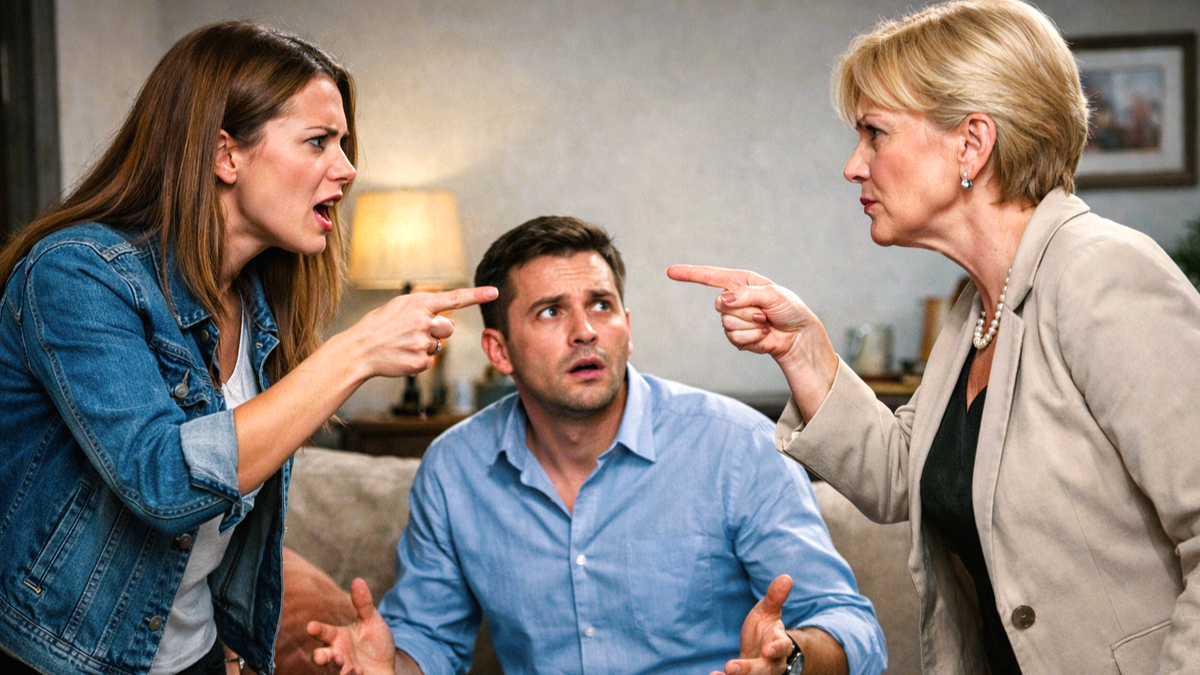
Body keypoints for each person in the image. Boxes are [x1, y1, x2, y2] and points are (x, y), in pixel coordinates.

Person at [669, 0, 1200, 673]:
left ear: (972, 143)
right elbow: (906, 475)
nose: (853, 165)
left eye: (875, 133)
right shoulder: (977, 304)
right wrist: (801, 348)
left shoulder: (1102, 273)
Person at [0, 21, 496, 675]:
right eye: (319, 141)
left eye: (344, 143)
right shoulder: (76, 274)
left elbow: (228, 518)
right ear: (225, 155)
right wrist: (355, 352)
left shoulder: (260, 304)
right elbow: (164, 481)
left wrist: (230, 645)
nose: (347, 169)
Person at [308, 216, 887, 675]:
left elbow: (852, 628)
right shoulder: (455, 468)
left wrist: (792, 660)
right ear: (499, 351)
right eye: (550, 311)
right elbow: (431, 641)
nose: (585, 330)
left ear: (626, 329)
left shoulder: (737, 447)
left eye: (601, 305)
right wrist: (390, 667)